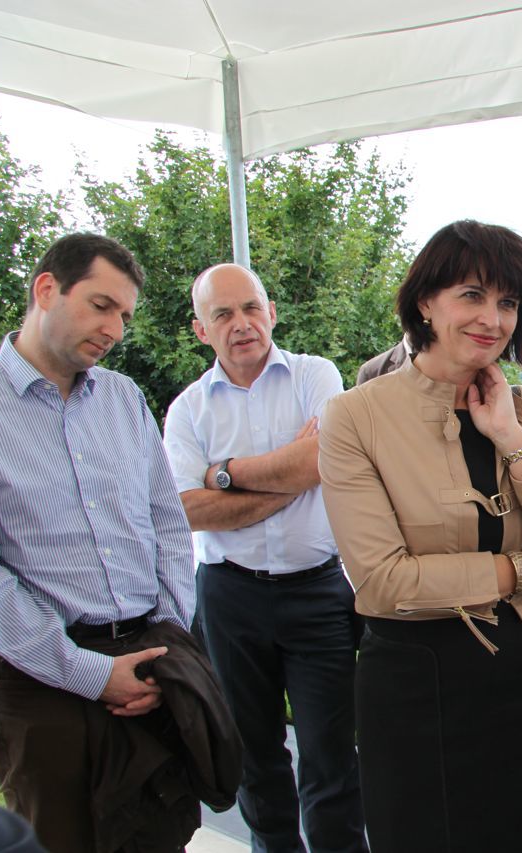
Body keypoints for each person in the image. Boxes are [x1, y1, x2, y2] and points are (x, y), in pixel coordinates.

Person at [317, 220, 522, 851]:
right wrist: (520, 571)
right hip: (418, 682)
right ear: (426, 302)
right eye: (472, 295)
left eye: (508, 302)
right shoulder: (354, 416)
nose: (492, 319)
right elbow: (382, 583)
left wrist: (512, 442)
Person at [0, 234, 198, 852]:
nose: (115, 330)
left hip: (149, 666)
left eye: (124, 315)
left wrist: (168, 644)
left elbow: (167, 525)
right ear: (47, 289)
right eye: (101, 306)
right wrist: (91, 674)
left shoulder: (123, 398)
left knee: (161, 838)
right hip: (39, 684)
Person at [163, 264, 366, 852]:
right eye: (222, 314)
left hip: (319, 592)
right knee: (253, 754)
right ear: (201, 329)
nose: (241, 324)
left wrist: (223, 474)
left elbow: (323, 460)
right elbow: (189, 509)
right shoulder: (187, 410)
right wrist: (291, 474)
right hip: (230, 597)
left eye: (251, 308)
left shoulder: (315, 375)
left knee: (331, 753)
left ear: (271, 312)